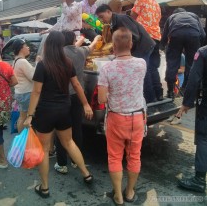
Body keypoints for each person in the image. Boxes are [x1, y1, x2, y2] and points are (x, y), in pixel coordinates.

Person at [23, 31, 94, 199]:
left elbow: (37, 91)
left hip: (45, 112)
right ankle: (86, 174)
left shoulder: (43, 64)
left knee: (45, 149)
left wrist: (30, 115)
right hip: (64, 109)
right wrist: (85, 104)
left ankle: (45, 188)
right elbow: (76, 85)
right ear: (62, 45)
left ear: (47, 45)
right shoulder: (67, 62)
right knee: (69, 143)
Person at [98, 27, 147, 205]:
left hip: (116, 118)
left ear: (113, 46)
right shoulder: (141, 63)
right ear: (131, 44)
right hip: (137, 118)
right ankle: (130, 192)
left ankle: (118, 195)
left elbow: (102, 98)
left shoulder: (107, 68)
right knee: (134, 156)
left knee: (114, 157)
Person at [54, 30, 101, 174]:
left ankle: (61, 163)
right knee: (77, 128)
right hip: (77, 95)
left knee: (61, 130)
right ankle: (76, 160)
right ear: (73, 40)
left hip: (61, 97)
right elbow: (92, 46)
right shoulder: (81, 52)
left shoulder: (58, 54)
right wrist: (97, 37)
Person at [176, 45, 207, 193]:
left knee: (203, 138)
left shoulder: (203, 52)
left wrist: (186, 103)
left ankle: (199, 180)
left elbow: (194, 79)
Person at [161, 8, 206, 99]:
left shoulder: (172, 17)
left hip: (176, 34)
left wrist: (162, 47)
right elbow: (203, 34)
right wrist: (200, 49)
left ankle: (170, 92)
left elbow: (165, 35)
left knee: (172, 63)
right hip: (194, 35)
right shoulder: (193, 15)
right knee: (192, 64)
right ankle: (186, 90)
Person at [131, 0, 163, 103]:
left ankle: (150, 98)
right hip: (156, 36)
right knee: (153, 67)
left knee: (144, 67)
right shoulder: (156, 3)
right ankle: (159, 94)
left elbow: (132, 17)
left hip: (145, 37)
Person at [12, 39, 35, 132]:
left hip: (20, 92)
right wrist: (37, 63)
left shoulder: (16, 60)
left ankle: (21, 138)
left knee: (22, 116)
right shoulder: (22, 62)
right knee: (25, 117)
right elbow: (33, 77)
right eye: (26, 46)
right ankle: (23, 139)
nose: (28, 47)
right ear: (21, 48)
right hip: (26, 93)